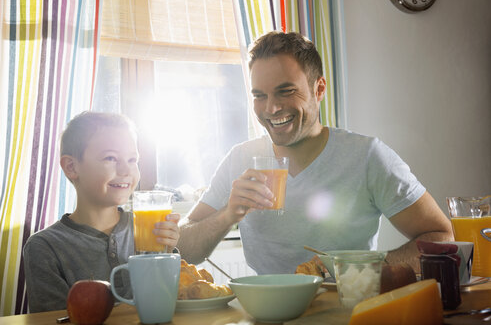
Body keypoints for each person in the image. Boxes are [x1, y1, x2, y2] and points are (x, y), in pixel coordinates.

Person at [177, 31, 453, 275]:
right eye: (259, 96)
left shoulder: (367, 156)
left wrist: (362, 271)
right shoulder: (239, 159)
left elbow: (441, 236)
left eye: (285, 91)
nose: (271, 109)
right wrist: (228, 214)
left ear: (318, 89)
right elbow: (186, 250)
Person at [23, 112, 180, 312]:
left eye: (133, 160)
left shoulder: (152, 231)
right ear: (71, 167)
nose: (126, 170)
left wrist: (168, 254)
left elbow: (169, 305)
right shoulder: (44, 247)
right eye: (110, 158)